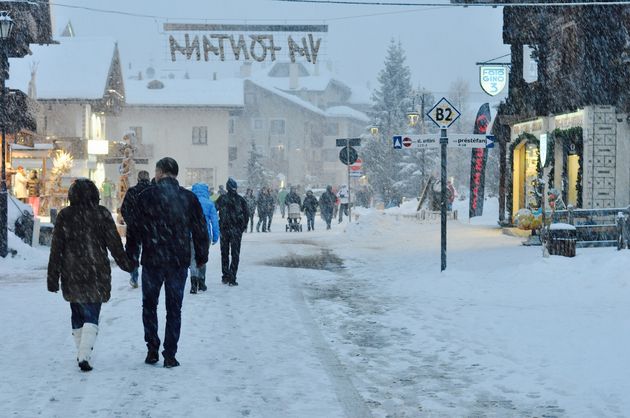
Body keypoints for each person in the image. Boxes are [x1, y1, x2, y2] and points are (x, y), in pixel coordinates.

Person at [125, 157, 209, 368]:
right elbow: (200, 230)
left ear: (159, 172)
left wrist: (132, 256)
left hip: (152, 259)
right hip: (178, 261)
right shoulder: (188, 198)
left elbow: (134, 229)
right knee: (174, 308)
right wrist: (201, 256)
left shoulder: (146, 197)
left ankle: (152, 348)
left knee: (149, 306)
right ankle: (170, 354)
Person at [47, 178, 135, 372]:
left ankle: (81, 352)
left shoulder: (65, 215)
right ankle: (84, 354)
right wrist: (127, 263)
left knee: (77, 312)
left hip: (71, 270)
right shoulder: (101, 214)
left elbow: (56, 249)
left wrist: (53, 277)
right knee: (92, 313)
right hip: (96, 270)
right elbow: (114, 243)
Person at [215, 178, 249, 286]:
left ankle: (225, 275)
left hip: (224, 230)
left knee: (224, 253)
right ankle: (232, 276)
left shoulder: (222, 198)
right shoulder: (240, 200)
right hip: (236, 231)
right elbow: (247, 214)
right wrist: (242, 227)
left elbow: (214, 209)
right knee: (235, 254)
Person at [120, 170, 151, 288]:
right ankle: (148, 277)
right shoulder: (153, 191)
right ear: (148, 179)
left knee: (133, 252)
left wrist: (131, 221)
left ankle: (134, 276)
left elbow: (124, 209)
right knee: (150, 252)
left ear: (138, 179)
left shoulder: (132, 191)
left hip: (134, 228)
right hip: (150, 228)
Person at [189, 183, 219, 294]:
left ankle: (193, 284)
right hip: (204, 235)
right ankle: (202, 282)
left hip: (192, 235)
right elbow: (214, 221)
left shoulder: (190, 203)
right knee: (202, 258)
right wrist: (216, 236)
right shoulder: (209, 203)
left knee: (192, 258)